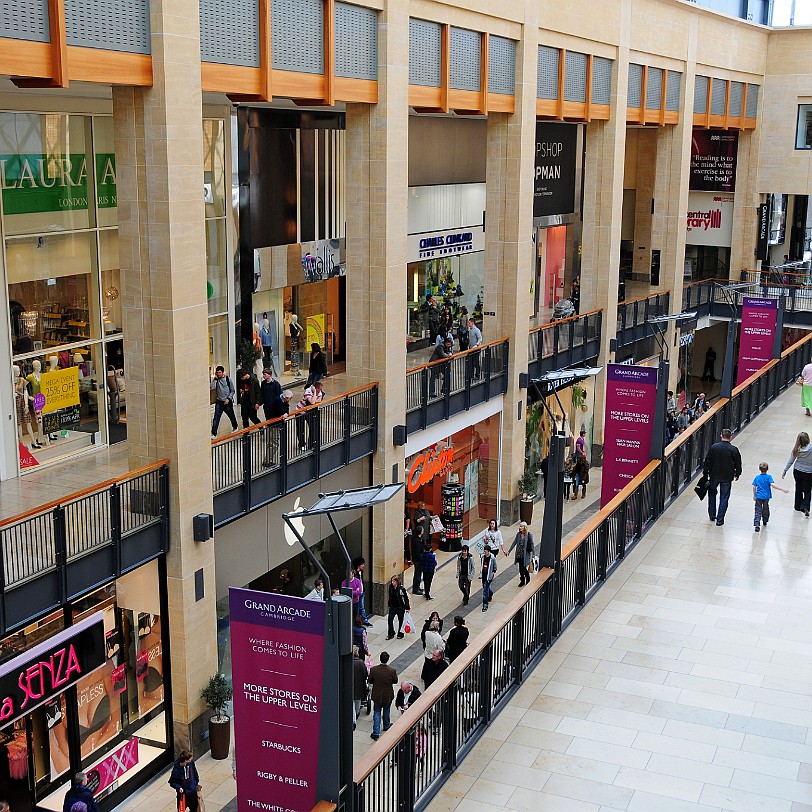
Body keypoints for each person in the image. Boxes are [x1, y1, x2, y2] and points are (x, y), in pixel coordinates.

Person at [703, 428, 742, 526]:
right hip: (727, 476)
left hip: (714, 475)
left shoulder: (714, 447)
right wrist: (738, 473)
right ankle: (720, 519)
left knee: (712, 494)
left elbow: (708, 461)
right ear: (730, 437)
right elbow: (738, 463)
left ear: (721, 436)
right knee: (724, 497)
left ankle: (712, 514)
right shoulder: (733, 449)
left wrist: (705, 473)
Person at [368, 651, 398, 740]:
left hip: (377, 694)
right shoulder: (392, 670)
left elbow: (370, 680)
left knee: (376, 712)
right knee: (386, 710)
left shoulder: (374, 670)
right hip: (387, 694)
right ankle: (386, 725)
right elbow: (395, 681)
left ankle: (376, 732)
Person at [782, 431, 812, 517]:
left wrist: (785, 470)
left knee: (798, 488)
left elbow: (791, 460)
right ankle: (805, 506)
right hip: (809, 472)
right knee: (807, 490)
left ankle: (798, 506)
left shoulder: (796, 449)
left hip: (797, 471)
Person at [752, 461, 789, 531]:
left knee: (758, 510)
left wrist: (754, 495)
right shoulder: (769, 477)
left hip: (759, 496)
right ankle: (765, 520)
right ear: (767, 469)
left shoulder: (757, 477)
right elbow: (772, 485)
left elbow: (754, 487)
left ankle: (757, 523)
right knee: (766, 508)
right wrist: (782, 489)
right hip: (766, 497)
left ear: (759, 469)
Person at [295, 379, 324, 450]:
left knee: (312, 427)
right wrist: (314, 393)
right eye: (319, 389)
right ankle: (301, 444)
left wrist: (313, 400)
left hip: (309, 412)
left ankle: (311, 444)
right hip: (300, 411)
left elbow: (319, 400)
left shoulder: (319, 392)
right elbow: (312, 402)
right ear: (315, 388)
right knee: (300, 429)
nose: (320, 391)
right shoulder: (308, 391)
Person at [210, 365, 237, 439]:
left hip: (227, 402)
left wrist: (228, 398)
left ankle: (235, 426)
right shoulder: (216, 380)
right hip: (219, 402)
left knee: (231, 416)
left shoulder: (228, 379)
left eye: (219, 372)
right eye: (217, 372)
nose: (218, 374)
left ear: (222, 372)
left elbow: (232, 390)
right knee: (216, 418)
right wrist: (215, 380)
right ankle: (214, 433)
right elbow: (212, 388)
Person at [411, 501, 431, 594]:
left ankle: (418, 587)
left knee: (419, 574)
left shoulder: (417, 540)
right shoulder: (416, 541)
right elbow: (417, 551)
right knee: (417, 574)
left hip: (418, 559)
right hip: (417, 560)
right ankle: (416, 589)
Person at [507, 522, 534, 587]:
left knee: (523, 567)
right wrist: (509, 551)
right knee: (520, 568)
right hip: (519, 554)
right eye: (520, 526)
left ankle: (528, 579)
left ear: (525, 527)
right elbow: (514, 542)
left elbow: (532, 544)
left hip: (525, 555)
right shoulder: (518, 534)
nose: (520, 528)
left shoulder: (529, 535)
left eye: (521, 526)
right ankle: (522, 580)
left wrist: (533, 554)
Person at [386, 575, 410, 640]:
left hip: (400, 607)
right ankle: (391, 633)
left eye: (394, 581)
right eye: (392, 581)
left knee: (401, 621)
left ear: (397, 581)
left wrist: (407, 607)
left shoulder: (401, 589)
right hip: (392, 607)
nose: (392, 582)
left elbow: (405, 598)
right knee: (390, 620)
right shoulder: (391, 587)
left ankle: (400, 633)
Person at [352, 557, 373, 626]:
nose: (363, 565)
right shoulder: (354, 574)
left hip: (361, 592)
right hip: (357, 594)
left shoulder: (360, 572)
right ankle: (358, 621)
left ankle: (364, 620)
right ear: (358, 565)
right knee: (359, 608)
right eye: (362, 564)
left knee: (361, 607)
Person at [352, 647, 367, 730]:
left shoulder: (348, 663)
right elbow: (365, 674)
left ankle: (353, 720)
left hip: (350, 687)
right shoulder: (361, 663)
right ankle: (356, 715)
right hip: (359, 687)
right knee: (357, 703)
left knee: (352, 704)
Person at [481, 545, 497, 611]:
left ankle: (485, 604)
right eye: (484, 551)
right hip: (484, 575)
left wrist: (493, 571)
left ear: (489, 551)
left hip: (489, 575)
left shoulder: (492, 558)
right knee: (485, 587)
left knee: (485, 590)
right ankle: (490, 593)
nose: (485, 553)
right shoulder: (483, 557)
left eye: (486, 552)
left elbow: (495, 566)